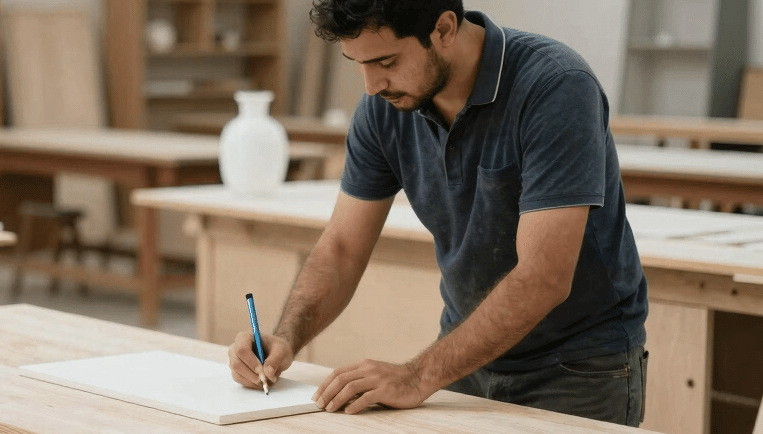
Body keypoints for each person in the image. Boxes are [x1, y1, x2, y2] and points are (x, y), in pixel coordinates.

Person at [226, 0, 649, 427]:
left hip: (577, 367)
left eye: (386, 61)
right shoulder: (384, 108)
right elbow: (340, 248)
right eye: (358, 64)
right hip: (465, 358)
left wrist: (417, 375)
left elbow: (544, 277)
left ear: (445, 29)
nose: (372, 85)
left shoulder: (555, 86)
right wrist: (285, 337)